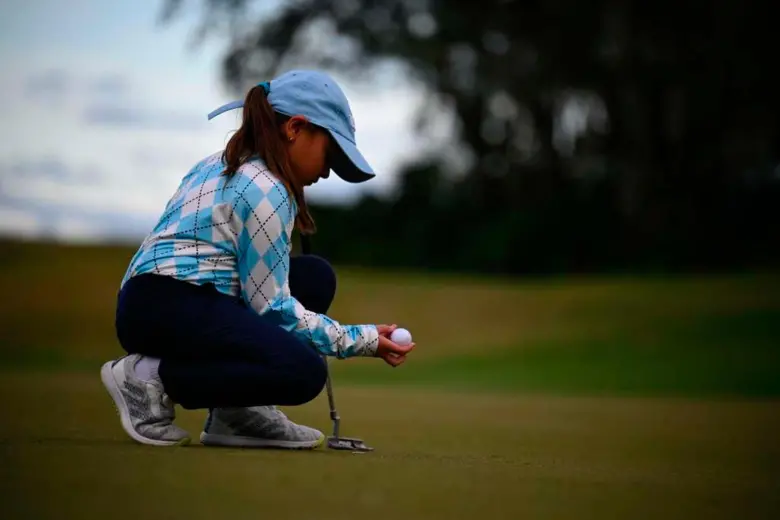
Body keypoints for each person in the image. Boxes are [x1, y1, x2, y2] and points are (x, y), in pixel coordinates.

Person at [101, 70, 416, 449]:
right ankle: (149, 377)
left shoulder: (217, 162)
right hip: (170, 305)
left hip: (147, 302)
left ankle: (236, 414)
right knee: (301, 373)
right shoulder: (268, 189)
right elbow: (273, 310)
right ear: (295, 128)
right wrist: (362, 340)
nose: (327, 171)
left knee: (314, 277)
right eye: (330, 153)